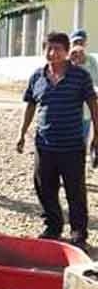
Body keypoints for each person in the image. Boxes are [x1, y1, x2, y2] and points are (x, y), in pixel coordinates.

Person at [17, 32, 98, 247]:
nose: (52, 53)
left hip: (72, 145)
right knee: (44, 187)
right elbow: (31, 105)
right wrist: (22, 132)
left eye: (58, 49)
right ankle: (53, 226)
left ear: (66, 51)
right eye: (48, 49)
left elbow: (93, 104)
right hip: (44, 145)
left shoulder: (80, 76)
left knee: (75, 190)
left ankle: (79, 232)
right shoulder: (37, 76)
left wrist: (96, 134)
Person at [70, 29, 98, 145]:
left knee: (81, 141)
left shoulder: (91, 61)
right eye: (75, 43)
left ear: (85, 44)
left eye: (81, 43)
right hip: (68, 110)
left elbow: (96, 82)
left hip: (86, 110)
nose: (78, 46)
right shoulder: (65, 60)